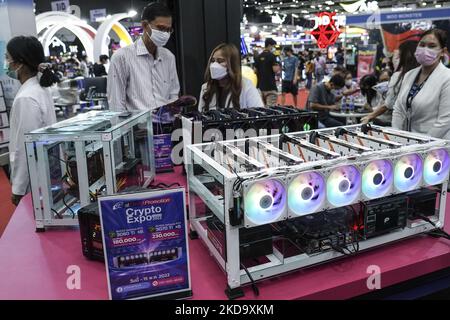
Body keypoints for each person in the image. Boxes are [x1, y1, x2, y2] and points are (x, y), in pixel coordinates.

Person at [5, 36, 58, 205]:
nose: (6, 62)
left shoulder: (26, 97)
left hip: (33, 179)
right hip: (45, 173)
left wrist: (18, 188)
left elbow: (24, 146)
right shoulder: (39, 89)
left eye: (8, 57)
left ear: (19, 63)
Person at [108, 2, 180, 112]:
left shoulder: (169, 57)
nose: (165, 34)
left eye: (168, 30)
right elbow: (116, 105)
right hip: (138, 128)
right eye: (161, 28)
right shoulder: (122, 57)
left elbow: (173, 95)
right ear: (145, 25)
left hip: (166, 125)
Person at [393, 29, 450, 139]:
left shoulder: (447, 77)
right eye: (422, 44)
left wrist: (421, 144)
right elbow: (398, 109)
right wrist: (396, 136)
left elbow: (445, 120)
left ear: (443, 51)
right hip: (406, 143)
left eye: (432, 46)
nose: (425, 49)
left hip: (435, 146)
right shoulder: (409, 75)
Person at [361, 41, 419, 125]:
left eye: (398, 56)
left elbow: (388, 104)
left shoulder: (398, 77)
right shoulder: (423, 75)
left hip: (400, 125)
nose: (394, 59)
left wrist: (370, 116)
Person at [198, 43, 264, 111]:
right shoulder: (206, 88)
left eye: (220, 61)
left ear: (232, 63)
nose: (214, 65)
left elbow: (259, 114)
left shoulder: (246, 86)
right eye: (212, 61)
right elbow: (200, 116)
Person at [254, 38, 280, 107]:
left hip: (260, 87)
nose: (273, 48)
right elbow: (275, 70)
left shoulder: (258, 57)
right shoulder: (272, 56)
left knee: (262, 110)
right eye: (273, 46)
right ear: (269, 45)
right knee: (270, 110)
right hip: (270, 87)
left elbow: (255, 71)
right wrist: (278, 66)